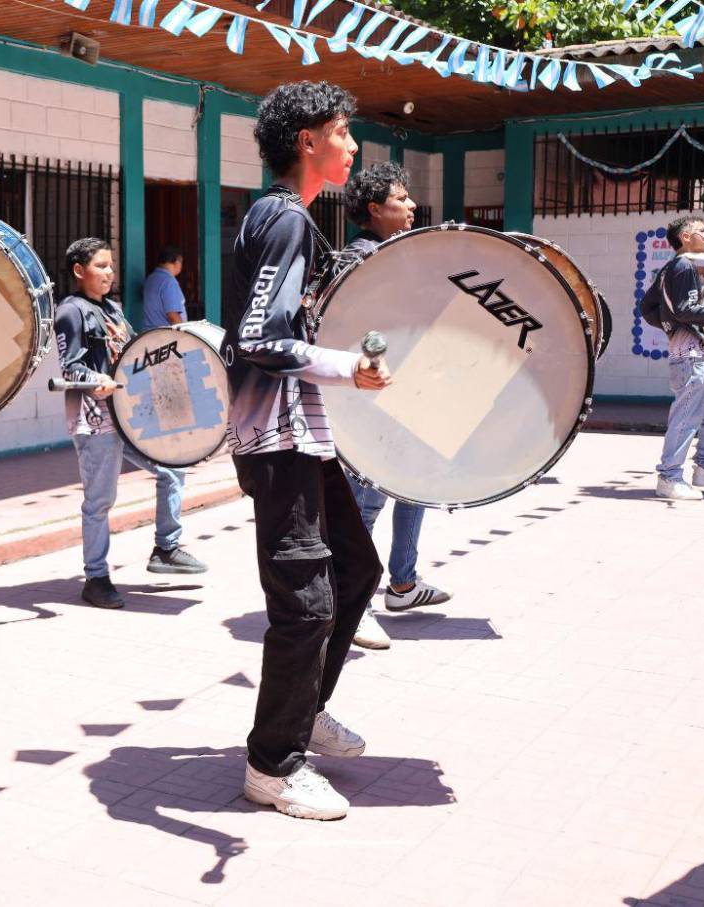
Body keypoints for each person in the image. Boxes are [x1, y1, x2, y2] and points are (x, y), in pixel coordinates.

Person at [222, 81, 389, 821]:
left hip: (304, 435)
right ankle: (273, 763)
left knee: (358, 568)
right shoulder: (285, 217)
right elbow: (256, 338)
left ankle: (304, 707)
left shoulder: (290, 219)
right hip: (277, 437)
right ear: (308, 141)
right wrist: (345, 365)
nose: (353, 147)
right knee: (306, 604)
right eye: (344, 132)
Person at [54, 238, 207, 609]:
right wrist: (96, 381)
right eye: (101, 266)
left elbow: (131, 351)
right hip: (96, 421)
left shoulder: (113, 308)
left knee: (172, 467)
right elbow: (69, 366)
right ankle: (96, 577)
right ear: (79, 271)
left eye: (111, 266)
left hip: (130, 413)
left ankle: (166, 549)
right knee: (100, 501)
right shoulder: (70, 312)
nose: (110, 272)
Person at [339, 162, 452, 651]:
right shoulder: (359, 260)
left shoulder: (394, 255)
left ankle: (402, 583)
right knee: (366, 503)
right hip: (373, 402)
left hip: (407, 395)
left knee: (415, 485)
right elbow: (359, 331)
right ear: (374, 209)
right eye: (401, 199)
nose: (410, 206)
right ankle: (353, 602)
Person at [653, 214, 704, 500]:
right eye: (702, 231)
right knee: (688, 415)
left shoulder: (682, 267)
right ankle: (669, 477)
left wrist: (670, 326)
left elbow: (649, 307)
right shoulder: (682, 265)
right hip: (691, 354)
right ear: (685, 237)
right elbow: (683, 309)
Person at [142, 246, 188, 329]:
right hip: (166, 337)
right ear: (177, 262)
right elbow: (173, 316)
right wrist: (185, 335)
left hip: (149, 335)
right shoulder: (169, 282)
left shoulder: (151, 278)